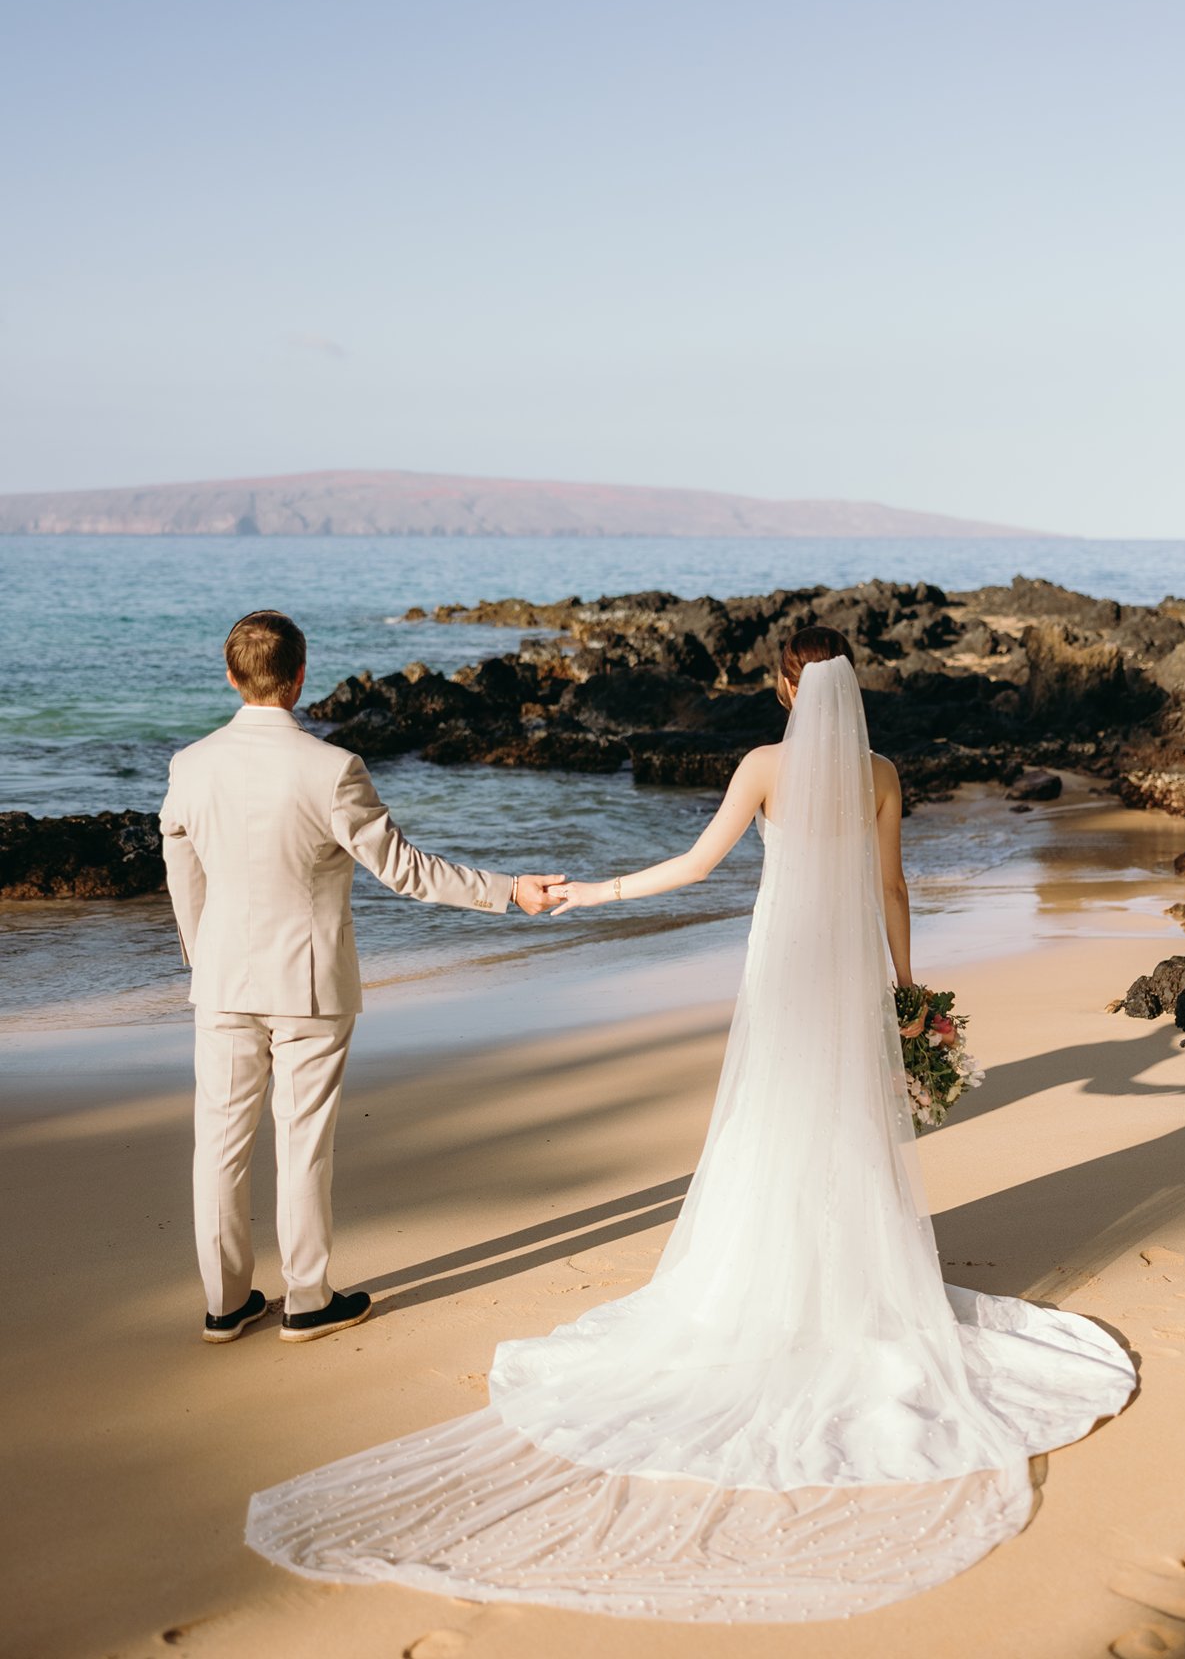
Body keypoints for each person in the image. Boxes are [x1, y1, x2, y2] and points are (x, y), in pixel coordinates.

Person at [245, 629, 1134, 1620]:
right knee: (842, 1127)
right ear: (849, 686)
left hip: (783, 968)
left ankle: (777, 1281)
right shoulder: (882, 773)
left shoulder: (763, 766)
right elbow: (891, 888)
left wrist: (598, 891)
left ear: (787, 687)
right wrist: (908, 984)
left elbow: (699, 865)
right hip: (849, 972)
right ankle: (849, 1283)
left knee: (774, 1121)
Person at [160, 609, 562, 1347]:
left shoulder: (190, 765)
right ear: (300, 677)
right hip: (309, 985)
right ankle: (307, 1301)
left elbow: (180, 863)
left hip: (220, 983)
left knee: (218, 1144)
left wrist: (201, 952)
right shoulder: (332, 768)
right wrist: (508, 889)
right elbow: (405, 871)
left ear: (231, 676)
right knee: (302, 1143)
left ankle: (224, 1305)